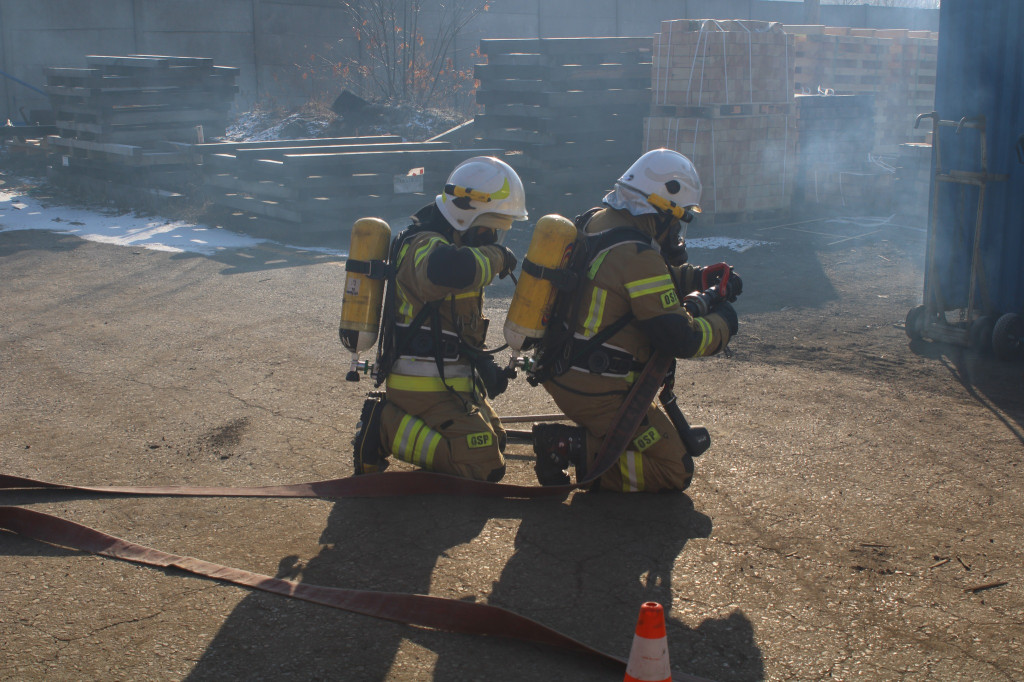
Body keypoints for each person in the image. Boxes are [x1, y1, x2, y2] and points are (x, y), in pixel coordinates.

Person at [531, 148, 742, 493]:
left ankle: (579, 440)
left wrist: (697, 278)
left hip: (563, 369)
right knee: (674, 468)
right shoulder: (639, 255)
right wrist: (723, 323)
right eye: (678, 218)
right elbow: (680, 339)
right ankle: (567, 446)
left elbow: (633, 281)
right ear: (661, 210)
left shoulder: (599, 220)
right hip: (598, 391)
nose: (677, 229)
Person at [352, 156, 527, 481]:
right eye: (491, 227)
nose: (493, 238)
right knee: (483, 465)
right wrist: (498, 257)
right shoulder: (424, 244)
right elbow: (447, 270)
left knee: (496, 442)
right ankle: (383, 428)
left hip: (452, 384)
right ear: (466, 217)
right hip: (422, 386)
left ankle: (399, 426)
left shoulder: (453, 244)